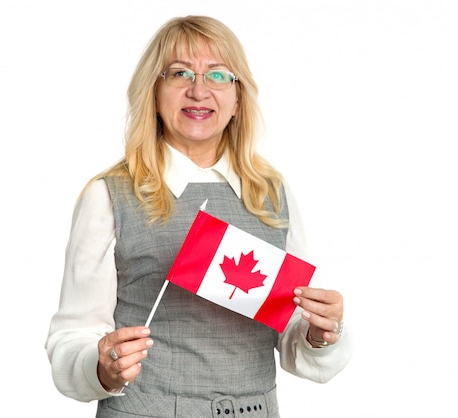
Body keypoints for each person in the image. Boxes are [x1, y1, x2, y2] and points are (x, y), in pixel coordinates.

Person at [45, 15, 352, 418]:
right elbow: (72, 336)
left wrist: (321, 331)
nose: (199, 89)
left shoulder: (272, 193)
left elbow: (292, 335)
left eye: (219, 75)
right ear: (154, 91)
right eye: (179, 72)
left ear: (238, 98)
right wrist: (101, 366)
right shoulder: (108, 195)